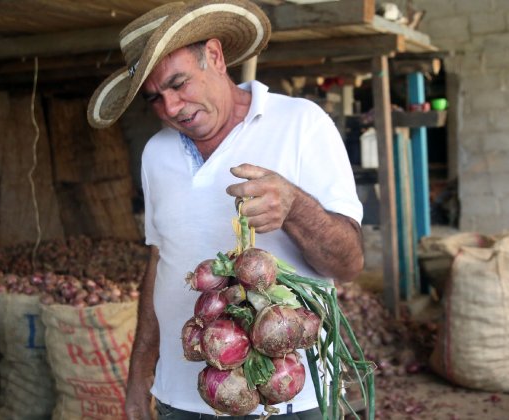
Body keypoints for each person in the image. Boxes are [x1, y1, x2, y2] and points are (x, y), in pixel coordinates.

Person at [87, 0, 364, 418]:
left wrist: (294, 208)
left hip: (287, 395)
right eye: (155, 99)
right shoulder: (155, 154)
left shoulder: (301, 124)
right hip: (181, 396)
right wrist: (140, 376)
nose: (172, 108)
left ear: (215, 57)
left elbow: (348, 264)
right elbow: (160, 264)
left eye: (179, 84)